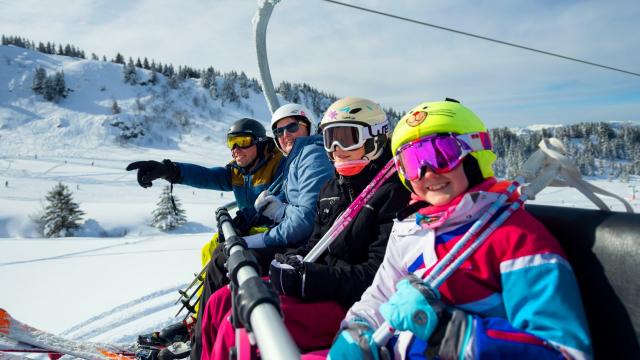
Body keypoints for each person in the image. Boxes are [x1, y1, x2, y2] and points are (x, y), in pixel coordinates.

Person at [323, 98, 592, 359]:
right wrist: (357, 327)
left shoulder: (516, 237)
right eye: (414, 161)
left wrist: (449, 331)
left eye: (441, 154)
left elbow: (564, 352)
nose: (427, 172)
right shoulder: (410, 229)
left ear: (474, 154)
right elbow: (380, 294)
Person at [199, 97, 412, 360]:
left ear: (375, 137)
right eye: (330, 139)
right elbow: (315, 242)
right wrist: (291, 259)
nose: (336, 148)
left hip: (348, 303)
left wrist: (313, 278)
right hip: (319, 288)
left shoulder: (392, 193)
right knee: (222, 300)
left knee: (242, 323)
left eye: (347, 137)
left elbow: (378, 275)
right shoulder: (333, 188)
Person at [125, 118, 284, 354]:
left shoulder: (279, 165)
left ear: (261, 144)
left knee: (226, 257)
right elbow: (207, 176)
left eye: (242, 141)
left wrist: (250, 217)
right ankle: (200, 316)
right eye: (232, 142)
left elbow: (282, 196)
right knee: (209, 248)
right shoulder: (238, 171)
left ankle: (216, 318)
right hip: (246, 229)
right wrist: (170, 170)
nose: (235, 149)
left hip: (271, 231)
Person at [190, 103, 335, 359]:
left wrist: (253, 239)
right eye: (279, 131)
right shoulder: (294, 160)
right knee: (221, 258)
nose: (286, 135)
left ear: (309, 128)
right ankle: (201, 336)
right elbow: (284, 202)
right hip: (297, 241)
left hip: (301, 246)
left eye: (292, 127)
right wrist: (250, 217)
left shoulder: (311, 154)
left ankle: (201, 345)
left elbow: (303, 220)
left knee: (225, 261)